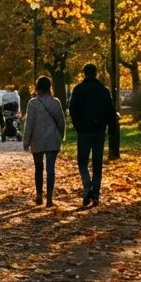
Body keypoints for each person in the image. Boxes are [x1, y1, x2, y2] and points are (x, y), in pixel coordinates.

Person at [69, 63, 118, 207]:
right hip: (99, 130)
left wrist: (78, 126)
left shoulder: (78, 90)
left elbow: (72, 110)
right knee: (97, 163)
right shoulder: (104, 90)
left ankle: (87, 185)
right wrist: (111, 128)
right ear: (96, 73)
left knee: (82, 162)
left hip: (84, 131)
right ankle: (95, 194)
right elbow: (110, 110)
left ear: (84, 73)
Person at [23, 76, 66, 206]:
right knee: (50, 169)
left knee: (38, 168)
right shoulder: (56, 102)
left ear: (37, 87)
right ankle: (50, 197)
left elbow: (29, 124)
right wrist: (61, 137)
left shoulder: (33, 103)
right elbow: (61, 122)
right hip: (52, 139)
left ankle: (39, 194)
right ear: (49, 87)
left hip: (37, 139)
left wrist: (26, 141)